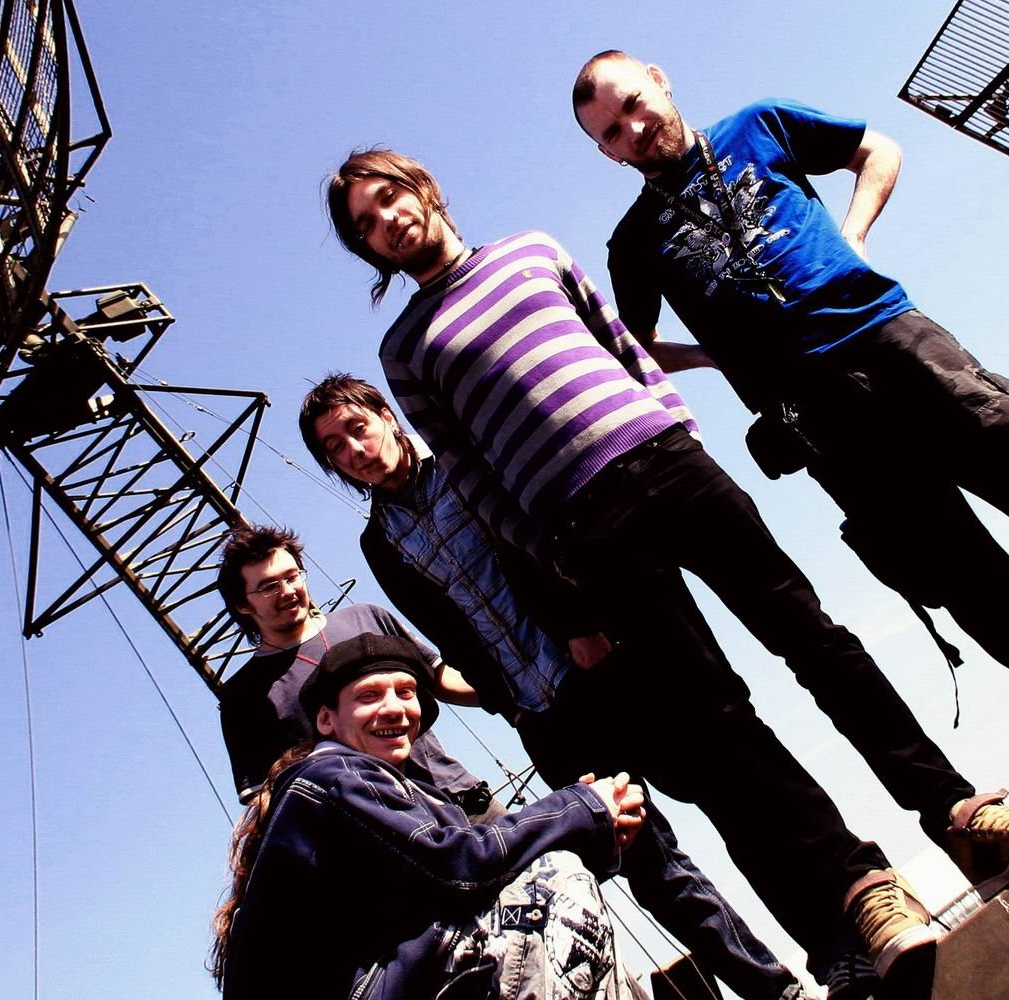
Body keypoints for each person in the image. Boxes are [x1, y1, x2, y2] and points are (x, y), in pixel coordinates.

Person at [323, 146, 1009, 978]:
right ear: (370, 251)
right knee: (719, 719)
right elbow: (466, 468)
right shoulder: (406, 347)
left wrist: (677, 424)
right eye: (366, 226)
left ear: (423, 188)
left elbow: (621, 345)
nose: (387, 222)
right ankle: (863, 889)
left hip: (674, 464)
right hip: (586, 530)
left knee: (817, 641)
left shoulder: (534, 250)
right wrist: (550, 549)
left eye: (389, 198)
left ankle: (957, 811)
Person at [570, 49, 1009, 728]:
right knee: (974, 588)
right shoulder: (632, 243)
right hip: (818, 422)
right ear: (604, 152)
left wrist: (854, 235)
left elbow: (877, 150)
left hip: (893, 344)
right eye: (610, 131)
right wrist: (715, 357)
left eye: (632, 105)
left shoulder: (759, 124)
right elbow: (635, 347)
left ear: (658, 80)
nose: (632, 130)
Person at [299, 372, 810, 999]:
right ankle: (773, 990)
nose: (354, 450)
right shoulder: (379, 542)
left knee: (735, 801)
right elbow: (447, 634)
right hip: (544, 716)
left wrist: (583, 624)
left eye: (357, 428)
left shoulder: (466, 462)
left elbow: (551, 535)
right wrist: (507, 703)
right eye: (334, 447)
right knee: (650, 866)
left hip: (606, 668)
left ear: (386, 414)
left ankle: (837, 943)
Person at [210, 631, 649, 1000]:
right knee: (555, 876)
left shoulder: (409, 796)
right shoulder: (330, 776)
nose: (394, 708)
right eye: (368, 696)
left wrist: (596, 827)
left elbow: (480, 874)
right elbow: (459, 864)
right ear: (326, 720)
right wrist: (581, 807)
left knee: (549, 876)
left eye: (406, 692)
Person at [215, 523, 499, 820]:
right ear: (242, 605)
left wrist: (514, 699)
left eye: (292, 576)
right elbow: (266, 796)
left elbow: (441, 679)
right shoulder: (243, 696)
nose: (287, 591)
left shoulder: (366, 617)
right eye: (269, 586)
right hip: (388, 835)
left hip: (463, 798)